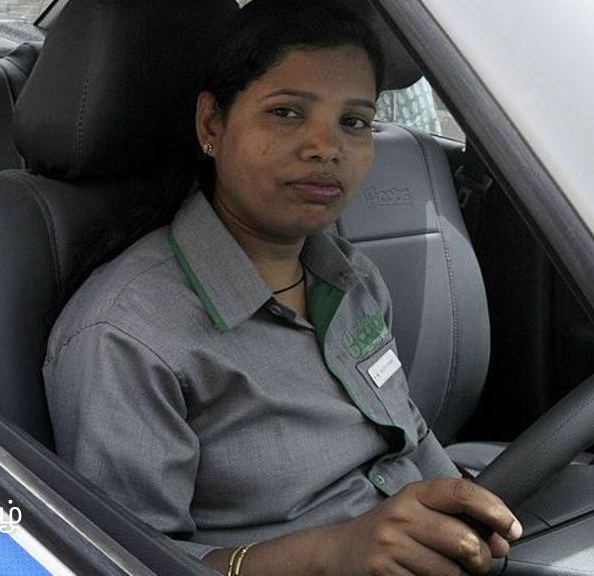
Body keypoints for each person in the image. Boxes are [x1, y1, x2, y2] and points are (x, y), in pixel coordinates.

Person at [43, 1, 520, 574]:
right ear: (211, 124)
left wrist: (468, 518)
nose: (326, 147)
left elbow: (409, 438)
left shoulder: (350, 277)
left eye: (354, 121)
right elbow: (128, 563)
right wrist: (335, 553)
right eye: (287, 112)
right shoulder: (127, 335)